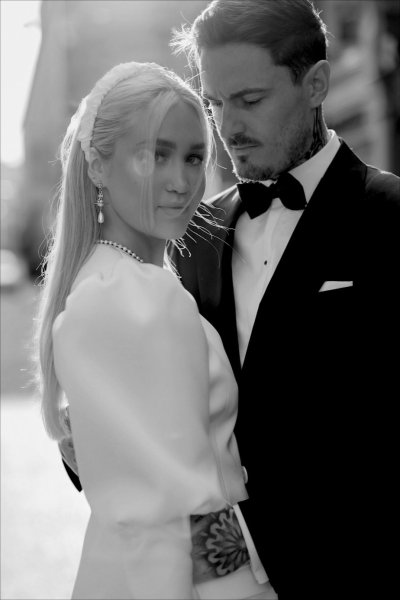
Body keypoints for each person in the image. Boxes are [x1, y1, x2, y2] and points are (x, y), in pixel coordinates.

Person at [171, 1, 400, 598]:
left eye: (250, 100)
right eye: (215, 104)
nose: (229, 127)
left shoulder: (392, 217)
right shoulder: (192, 239)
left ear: (315, 84)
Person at [35, 61, 278, 599]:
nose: (182, 181)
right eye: (155, 155)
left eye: (194, 157)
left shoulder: (103, 284)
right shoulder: (137, 297)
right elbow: (180, 513)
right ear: (98, 165)